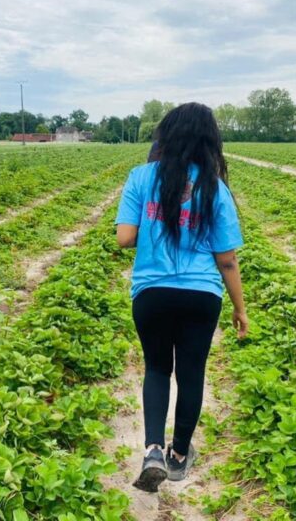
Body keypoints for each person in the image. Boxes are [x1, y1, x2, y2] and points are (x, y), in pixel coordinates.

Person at [115, 102, 248, 492]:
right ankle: (178, 456)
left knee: (157, 368)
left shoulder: (141, 178)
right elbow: (227, 260)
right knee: (191, 374)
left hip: (152, 293)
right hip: (201, 294)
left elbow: (124, 238)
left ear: (166, 136)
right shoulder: (214, 188)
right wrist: (240, 309)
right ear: (209, 142)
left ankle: (153, 450)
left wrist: (157, 223)